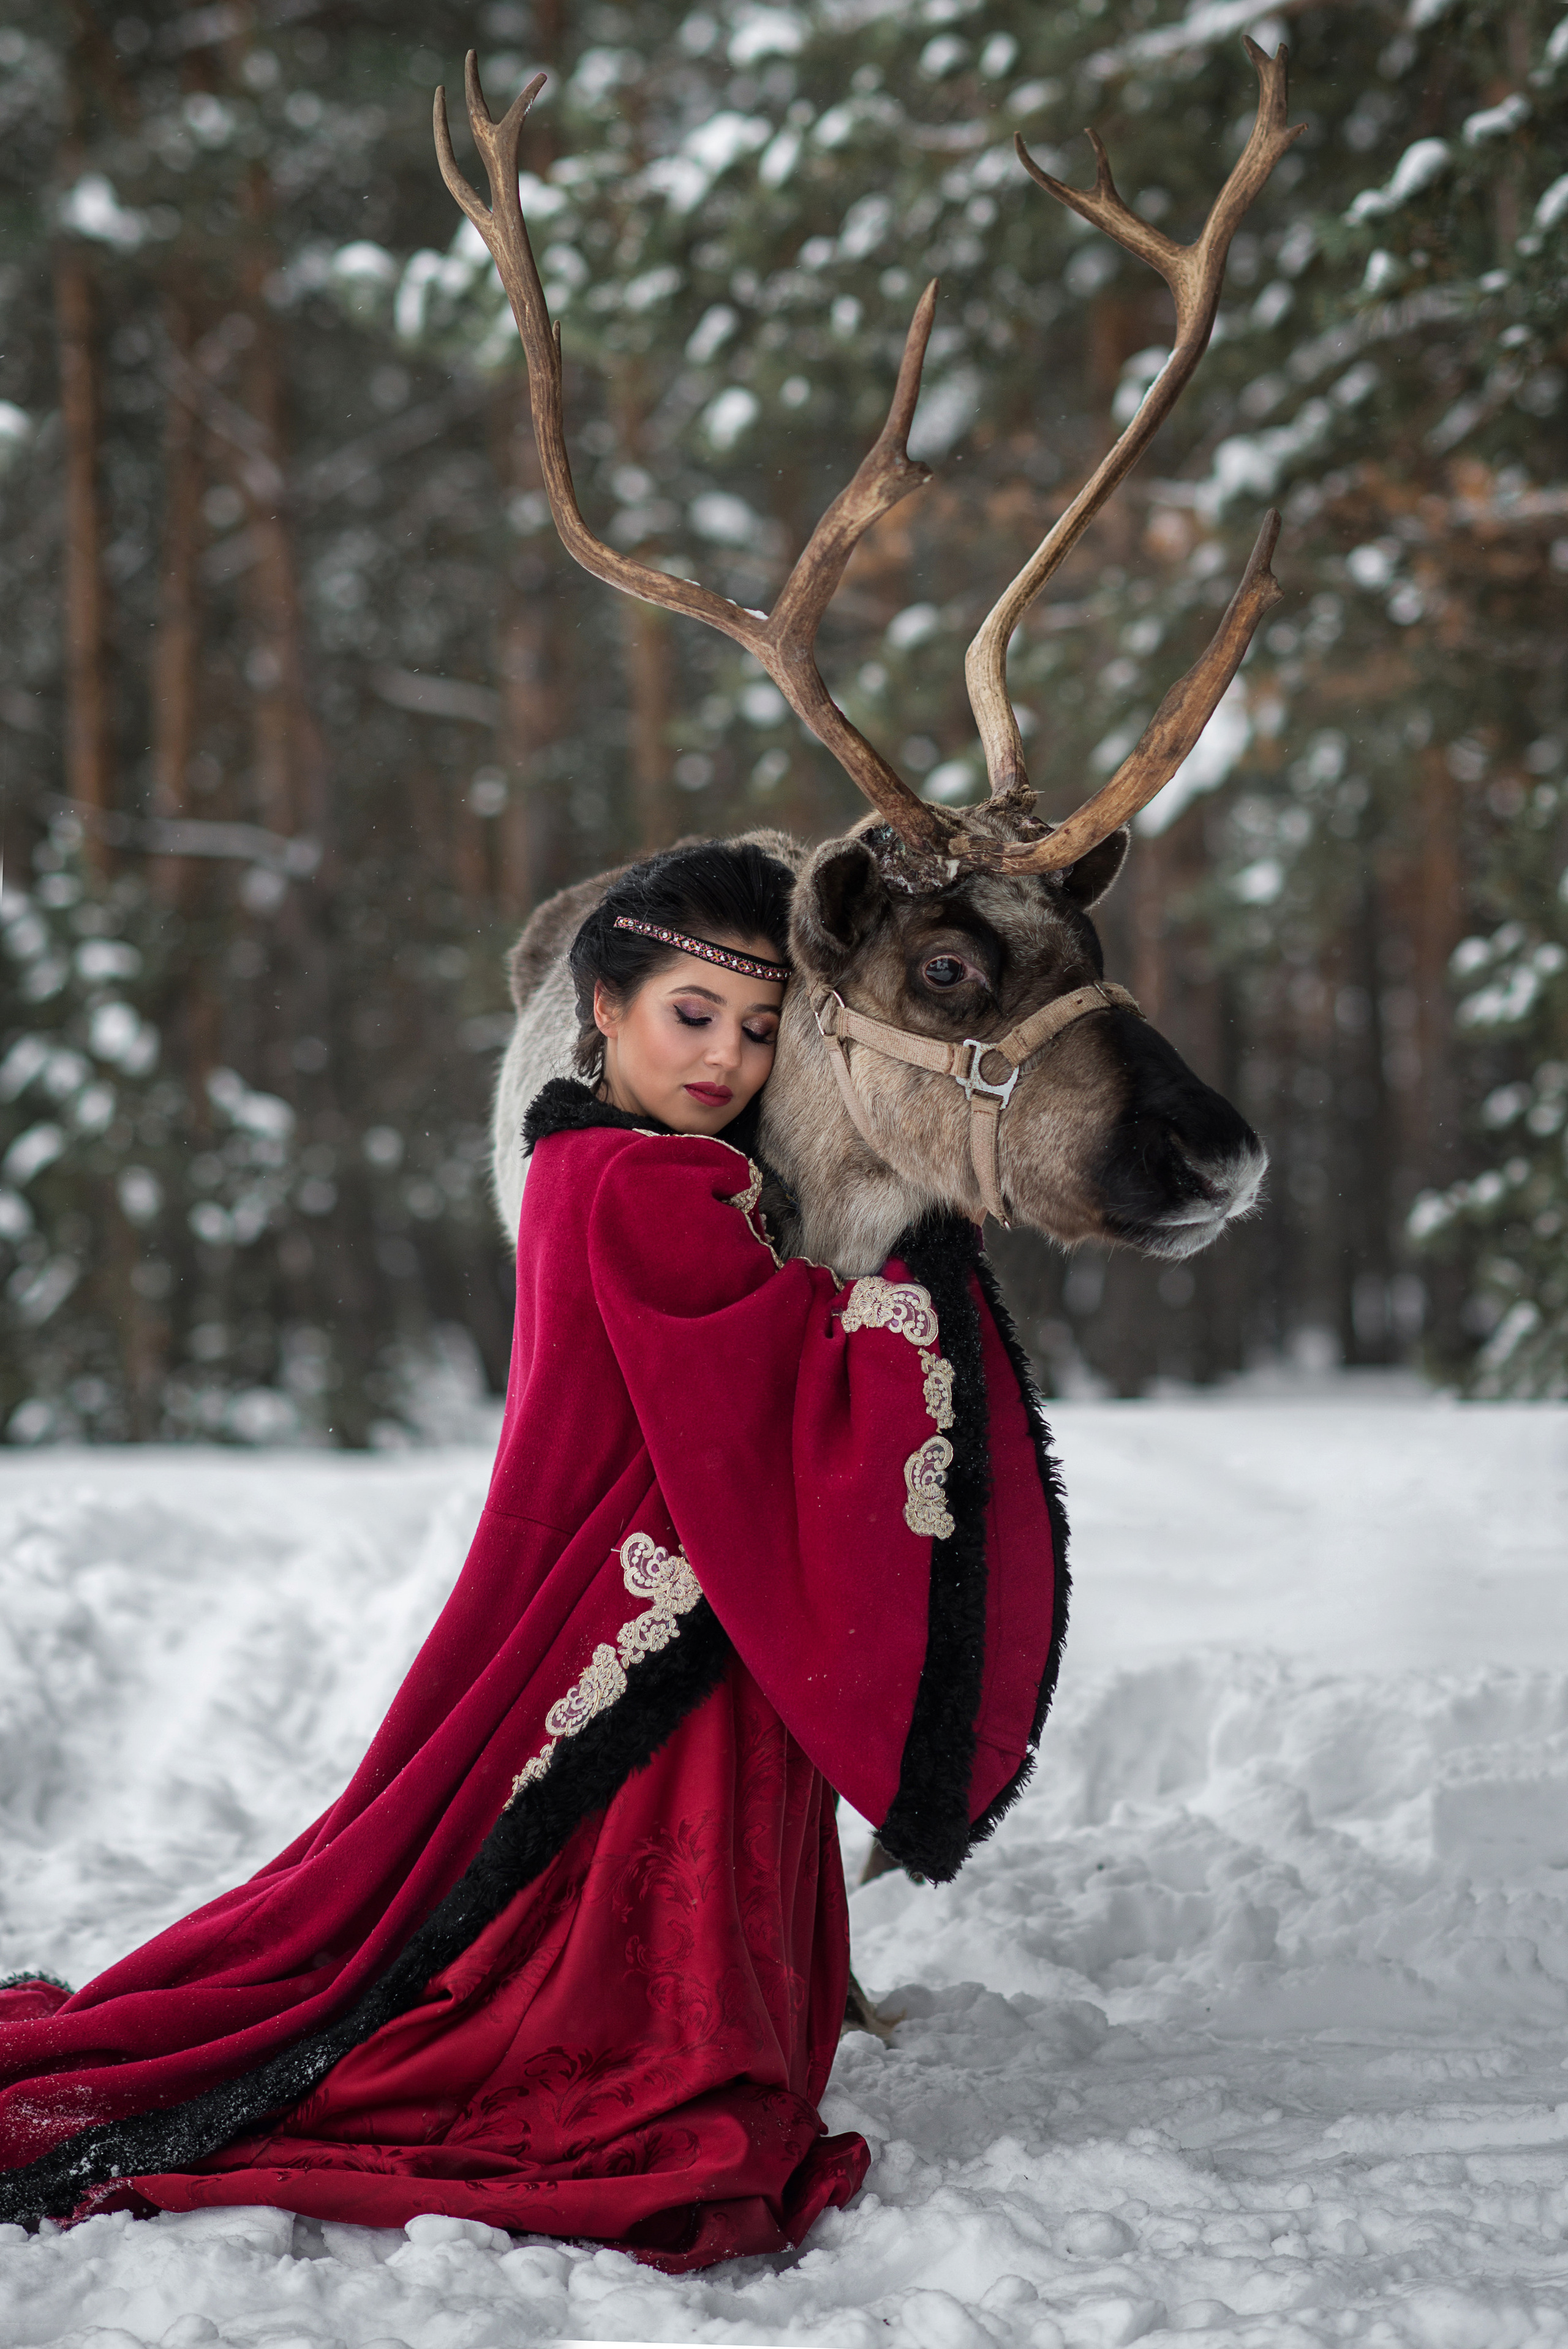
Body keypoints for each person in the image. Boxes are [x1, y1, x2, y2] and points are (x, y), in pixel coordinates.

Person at [0, 838, 1069, 2272]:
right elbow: (769, 1383)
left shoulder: (617, 1158)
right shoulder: (636, 1187)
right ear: (603, 1005)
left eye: (758, 1031)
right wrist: (901, 1287)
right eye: (691, 1014)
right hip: (631, 1617)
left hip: (640, 1594)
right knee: (566, 2005)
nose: (727, 1060)